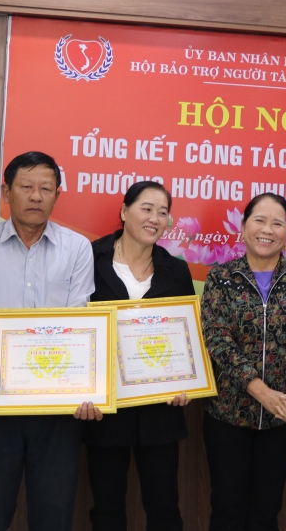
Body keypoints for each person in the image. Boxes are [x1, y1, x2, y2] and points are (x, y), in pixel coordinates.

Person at [0, 151, 97, 531]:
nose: (36, 196)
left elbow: (79, 328)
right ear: (7, 192)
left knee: (53, 516)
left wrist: (88, 390)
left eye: (46, 189)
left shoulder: (77, 248)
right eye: (26, 187)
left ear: (57, 195)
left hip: (58, 409)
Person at [200, 193, 286, 531]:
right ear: (242, 228)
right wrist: (260, 390)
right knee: (227, 511)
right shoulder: (221, 277)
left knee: (266, 513)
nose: (267, 229)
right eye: (259, 220)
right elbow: (217, 340)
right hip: (228, 416)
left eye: (277, 223)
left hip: (282, 418)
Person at [84, 181, 195, 531]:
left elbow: (187, 338)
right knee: (106, 507)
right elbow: (74, 324)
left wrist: (186, 382)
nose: (154, 218)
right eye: (146, 209)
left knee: (164, 507)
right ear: (124, 211)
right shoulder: (88, 259)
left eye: (163, 213)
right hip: (104, 408)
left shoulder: (177, 271)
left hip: (160, 409)